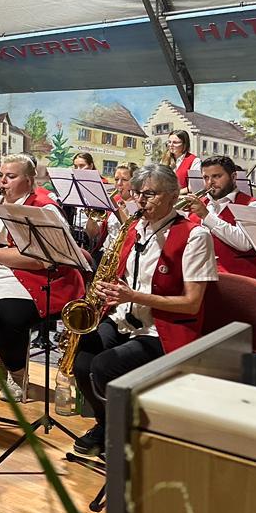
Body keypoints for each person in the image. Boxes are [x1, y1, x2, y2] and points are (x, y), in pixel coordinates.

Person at [72, 164, 216, 457]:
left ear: (173, 195)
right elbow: (121, 276)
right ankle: (107, 424)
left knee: (105, 366)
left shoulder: (195, 235)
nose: (140, 200)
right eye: (137, 193)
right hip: (124, 317)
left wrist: (134, 295)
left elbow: (192, 303)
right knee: (82, 358)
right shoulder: (133, 228)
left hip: (161, 329)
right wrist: (105, 291)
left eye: (150, 194)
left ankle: (128, 433)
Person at [0, 154, 86, 400]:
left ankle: (17, 372)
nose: (2, 181)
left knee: (3, 316)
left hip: (40, 277)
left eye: (10, 176)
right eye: (0, 175)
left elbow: (45, 260)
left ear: (29, 181)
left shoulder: (43, 208)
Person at [180, 156, 256, 278]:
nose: (210, 182)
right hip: (201, 276)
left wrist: (206, 216)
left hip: (242, 278)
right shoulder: (199, 204)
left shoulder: (252, 205)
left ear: (233, 177)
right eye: (206, 178)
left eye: (216, 176)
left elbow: (245, 243)